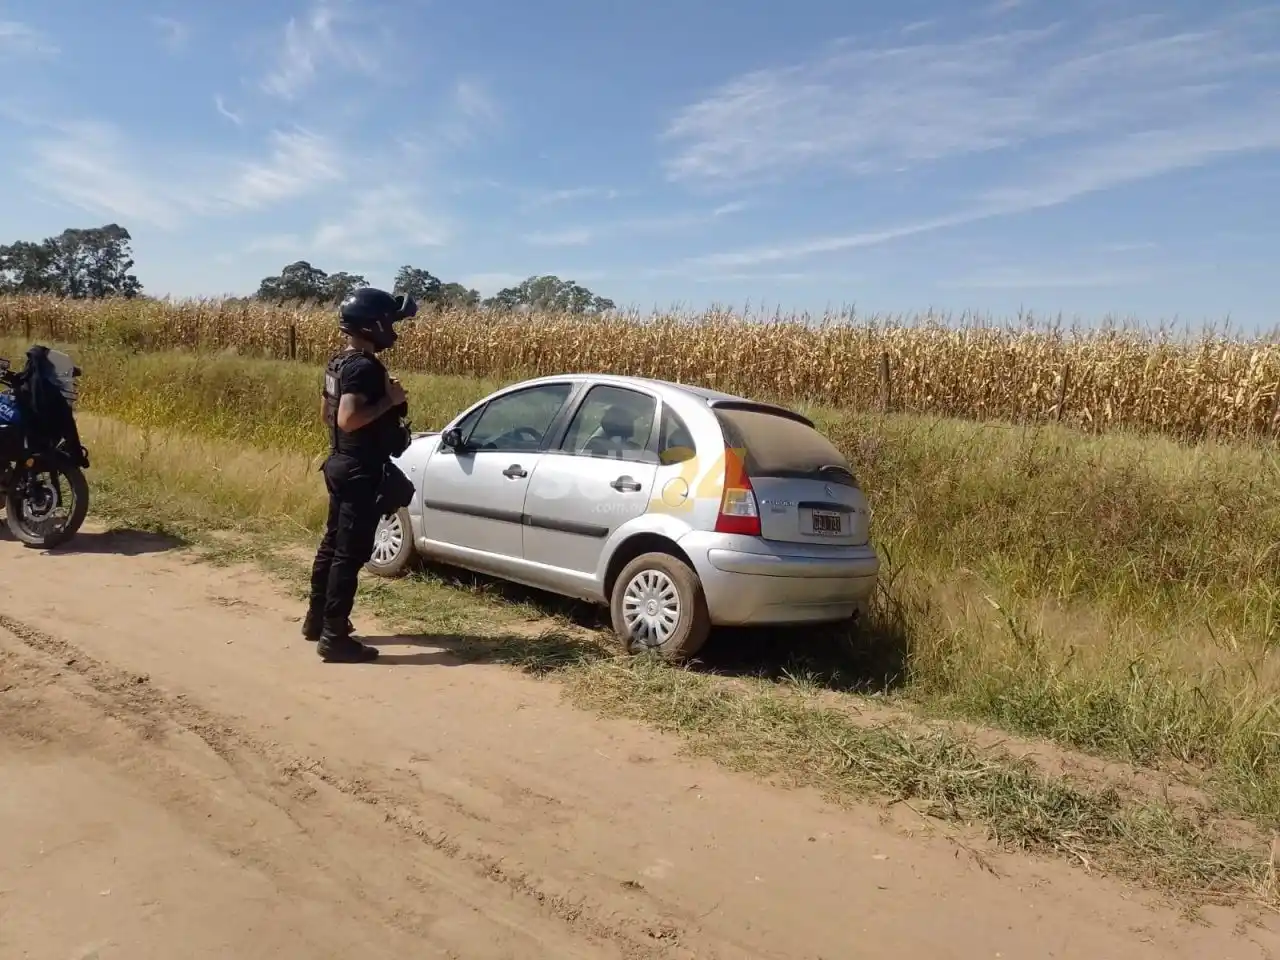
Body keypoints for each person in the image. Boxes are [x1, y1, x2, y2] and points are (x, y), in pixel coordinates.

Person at [303, 287, 416, 662]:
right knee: (349, 555)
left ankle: (316, 620)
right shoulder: (364, 368)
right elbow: (348, 419)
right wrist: (390, 401)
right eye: (390, 322)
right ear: (373, 325)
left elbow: (327, 414)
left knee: (332, 544)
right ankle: (334, 636)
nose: (393, 329)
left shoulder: (338, 363)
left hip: (339, 463)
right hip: (359, 471)